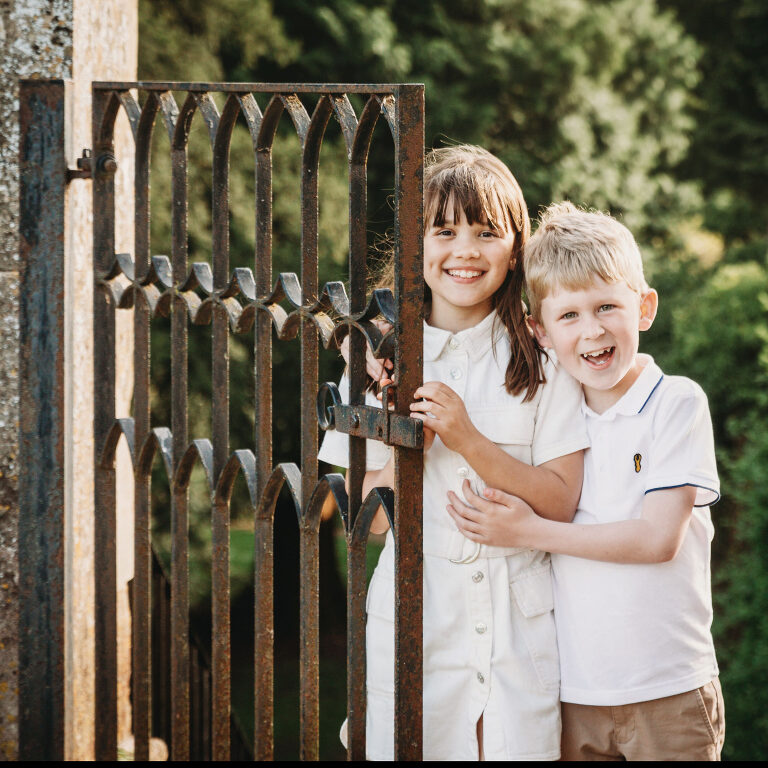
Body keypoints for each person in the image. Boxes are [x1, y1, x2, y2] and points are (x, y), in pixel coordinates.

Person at [319, 147, 589, 760]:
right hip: (416, 618)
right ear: (416, 243)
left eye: (486, 232)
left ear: (515, 248)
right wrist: (403, 454)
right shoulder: (373, 363)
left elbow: (561, 502)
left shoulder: (545, 361)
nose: (464, 251)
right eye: (444, 231)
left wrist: (468, 438)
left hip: (519, 629)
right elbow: (363, 523)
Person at [447, 202, 725, 761]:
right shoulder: (550, 409)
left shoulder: (675, 402)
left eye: (606, 307)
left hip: (668, 689)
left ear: (643, 307)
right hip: (574, 693)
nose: (592, 330)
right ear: (539, 331)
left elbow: (656, 540)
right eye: (568, 316)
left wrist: (530, 532)